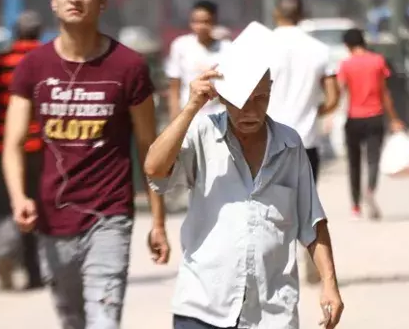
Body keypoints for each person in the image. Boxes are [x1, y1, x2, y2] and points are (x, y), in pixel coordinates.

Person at [2, 0, 170, 327]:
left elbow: (149, 147)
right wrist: (19, 198)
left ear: (103, 2)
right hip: (52, 216)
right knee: (72, 321)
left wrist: (157, 220)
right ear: (53, 1)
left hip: (109, 216)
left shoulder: (130, 67)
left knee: (103, 320)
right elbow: (13, 143)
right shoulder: (33, 67)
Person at [145, 68, 344, 329]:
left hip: (271, 312)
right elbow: (154, 168)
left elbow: (312, 221)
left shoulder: (290, 145)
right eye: (240, 99)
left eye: (260, 97)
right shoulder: (203, 134)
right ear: (223, 97)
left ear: (271, 91)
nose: (249, 110)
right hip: (203, 306)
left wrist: (330, 284)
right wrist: (192, 107)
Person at [0, 10, 44, 291]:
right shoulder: (48, 60)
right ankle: (35, 272)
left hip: (5, 148)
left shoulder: (0, 61)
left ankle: (5, 253)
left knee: (6, 206)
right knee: (40, 208)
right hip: (43, 148)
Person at [267, 0, 340, 183]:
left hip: (267, 141)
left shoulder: (261, 46)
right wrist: (314, 112)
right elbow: (333, 98)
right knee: (304, 208)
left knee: (270, 207)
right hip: (306, 139)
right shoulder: (320, 50)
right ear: (301, 15)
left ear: (276, 13)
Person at [336, 28, 404, 220]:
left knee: (354, 164)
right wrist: (394, 118)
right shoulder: (378, 61)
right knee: (373, 159)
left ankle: (356, 207)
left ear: (347, 45)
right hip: (375, 116)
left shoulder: (346, 64)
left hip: (354, 118)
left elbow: (340, 92)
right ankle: (371, 189)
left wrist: (331, 116)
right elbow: (385, 93)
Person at [165, 0, 231, 120]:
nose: (200, 26)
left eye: (206, 21)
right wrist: (174, 116)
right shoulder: (181, 45)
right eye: (196, 22)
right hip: (189, 112)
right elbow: (174, 87)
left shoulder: (226, 48)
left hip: (219, 114)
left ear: (214, 21)